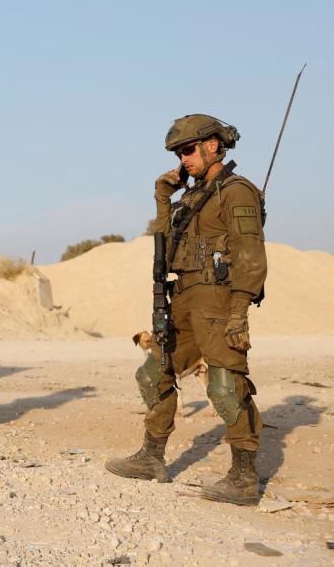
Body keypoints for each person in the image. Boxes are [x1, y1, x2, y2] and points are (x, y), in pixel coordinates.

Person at [106, 114, 268, 506]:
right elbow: (164, 241)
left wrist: (239, 312)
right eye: (179, 153)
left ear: (213, 144)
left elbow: (251, 257)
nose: (184, 158)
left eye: (188, 149)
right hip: (184, 299)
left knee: (225, 386)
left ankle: (244, 477)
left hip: (218, 300)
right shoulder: (193, 197)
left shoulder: (236, 192)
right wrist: (163, 196)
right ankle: (151, 458)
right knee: (153, 373)